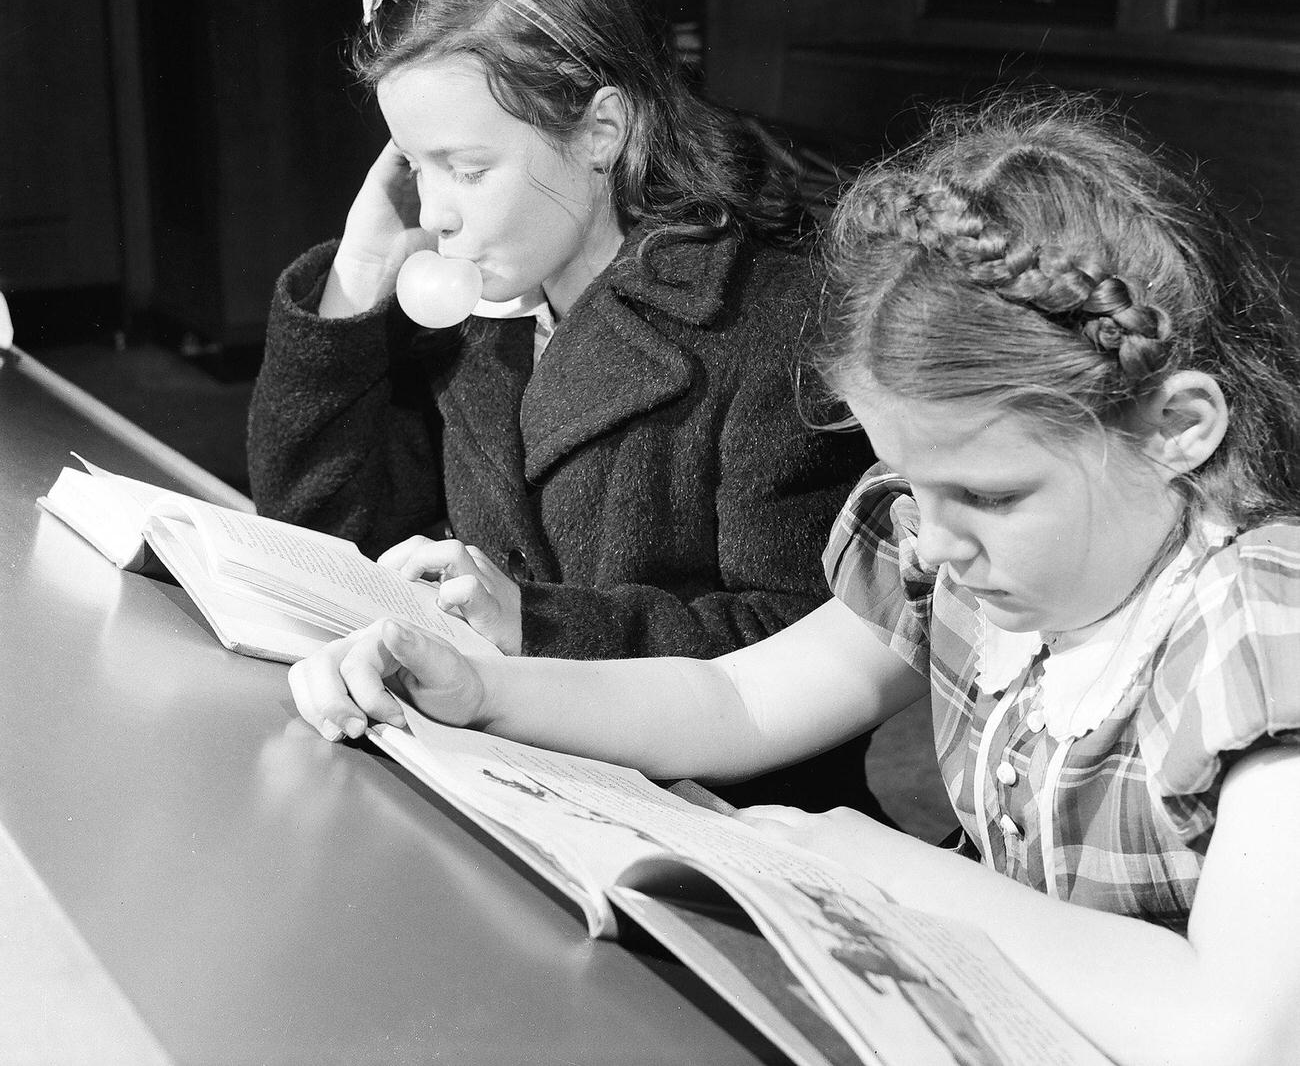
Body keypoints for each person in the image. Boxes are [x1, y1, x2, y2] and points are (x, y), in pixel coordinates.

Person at [291, 92, 1300, 1064]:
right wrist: (488, 686)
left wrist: (878, 869)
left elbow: (1241, 1031)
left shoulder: (1258, 627)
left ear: (1176, 429)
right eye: (912, 481)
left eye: (990, 498)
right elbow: (738, 696)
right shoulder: (949, 545)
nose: (937, 542)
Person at [248, 0, 877, 810]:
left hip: (719, 824)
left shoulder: (768, 326)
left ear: (601, 132)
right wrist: (356, 272)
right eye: (413, 167)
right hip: (501, 790)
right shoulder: (473, 314)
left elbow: (803, 646)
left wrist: (533, 626)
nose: (435, 212)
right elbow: (320, 539)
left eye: (466, 168)